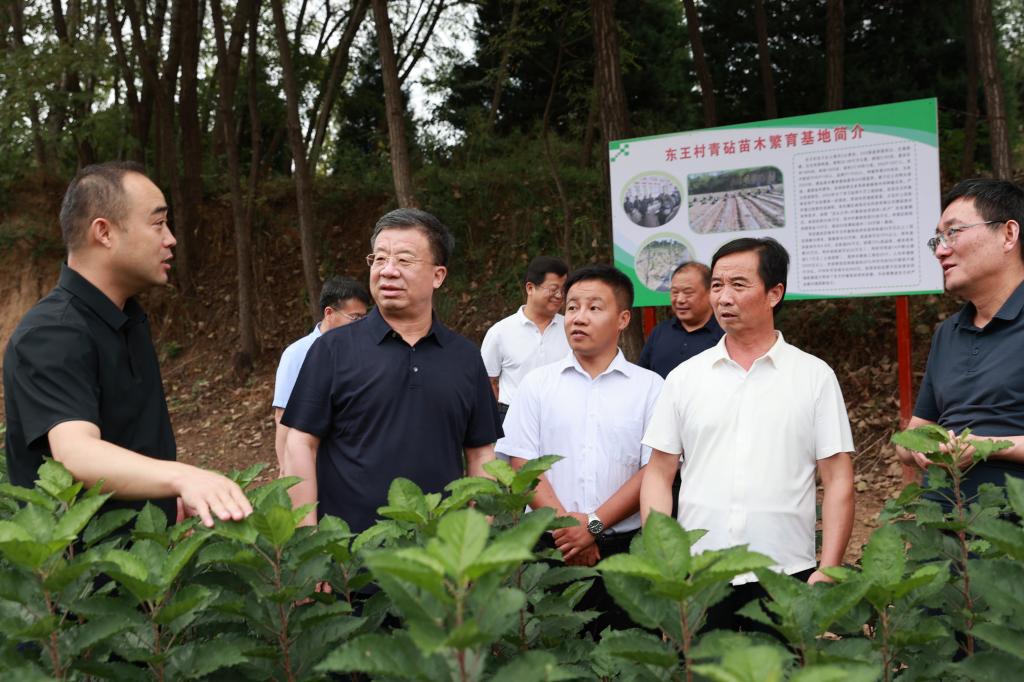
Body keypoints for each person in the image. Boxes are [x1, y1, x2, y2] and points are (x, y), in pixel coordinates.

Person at [3, 162, 252, 528]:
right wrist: (183, 477)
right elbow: (76, 452)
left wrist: (163, 499)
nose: (171, 239)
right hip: (84, 563)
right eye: (158, 223)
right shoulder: (52, 333)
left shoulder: (127, 320)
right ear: (104, 232)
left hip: (149, 556)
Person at [639, 237, 855, 633]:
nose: (724, 297)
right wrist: (662, 558)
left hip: (785, 571)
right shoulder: (685, 378)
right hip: (699, 574)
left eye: (738, 285)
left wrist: (829, 567)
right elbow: (658, 472)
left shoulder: (814, 377)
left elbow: (838, 477)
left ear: (774, 293)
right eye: (717, 285)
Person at [281, 208, 501, 532]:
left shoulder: (465, 358)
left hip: (440, 553)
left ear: (438, 275)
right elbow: (300, 443)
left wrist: (474, 539)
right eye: (379, 258)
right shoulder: (332, 349)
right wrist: (308, 539)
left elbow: (481, 454)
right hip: (347, 553)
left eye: (404, 260)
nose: (387, 271)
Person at [498, 264, 663, 634]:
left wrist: (593, 526)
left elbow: (653, 471)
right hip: (550, 547)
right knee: (551, 651)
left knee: (626, 649)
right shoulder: (536, 385)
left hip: (624, 549)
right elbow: (522, 462)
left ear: (623, 319)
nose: (578, 317)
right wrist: (568, 530)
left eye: (594, 307)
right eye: (572, 307)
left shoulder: (651, 388)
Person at [897, 178, 1024, 501]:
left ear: (1008, 234)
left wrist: (987, 447)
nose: (941, 250)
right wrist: (922, 447)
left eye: (953, 232)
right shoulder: (947, 333)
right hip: (941, 521)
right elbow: (907, 440)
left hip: (1010, 523)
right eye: (938, 239)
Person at [272, 277, 370, 472]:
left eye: (364, 318)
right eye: (355, 318)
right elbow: (282, 415)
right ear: (329, 313)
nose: (361, 325)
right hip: (312, 460)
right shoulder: (297, 353)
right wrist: (286, 470)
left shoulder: (363, 351)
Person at [480, 255, 570, 421]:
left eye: (563, 290)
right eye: (553, 289)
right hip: (513, 415)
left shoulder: (571, 329)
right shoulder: (500, 332)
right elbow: (487, 381)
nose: (559, 295)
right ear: (530, 288)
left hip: (562, 416)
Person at [638, 261, 723, 379]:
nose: (680, 299)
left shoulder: (725, 334)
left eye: (688, 293)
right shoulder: (660, 331)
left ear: (710, 293)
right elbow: (642, 376)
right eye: (675, 292)